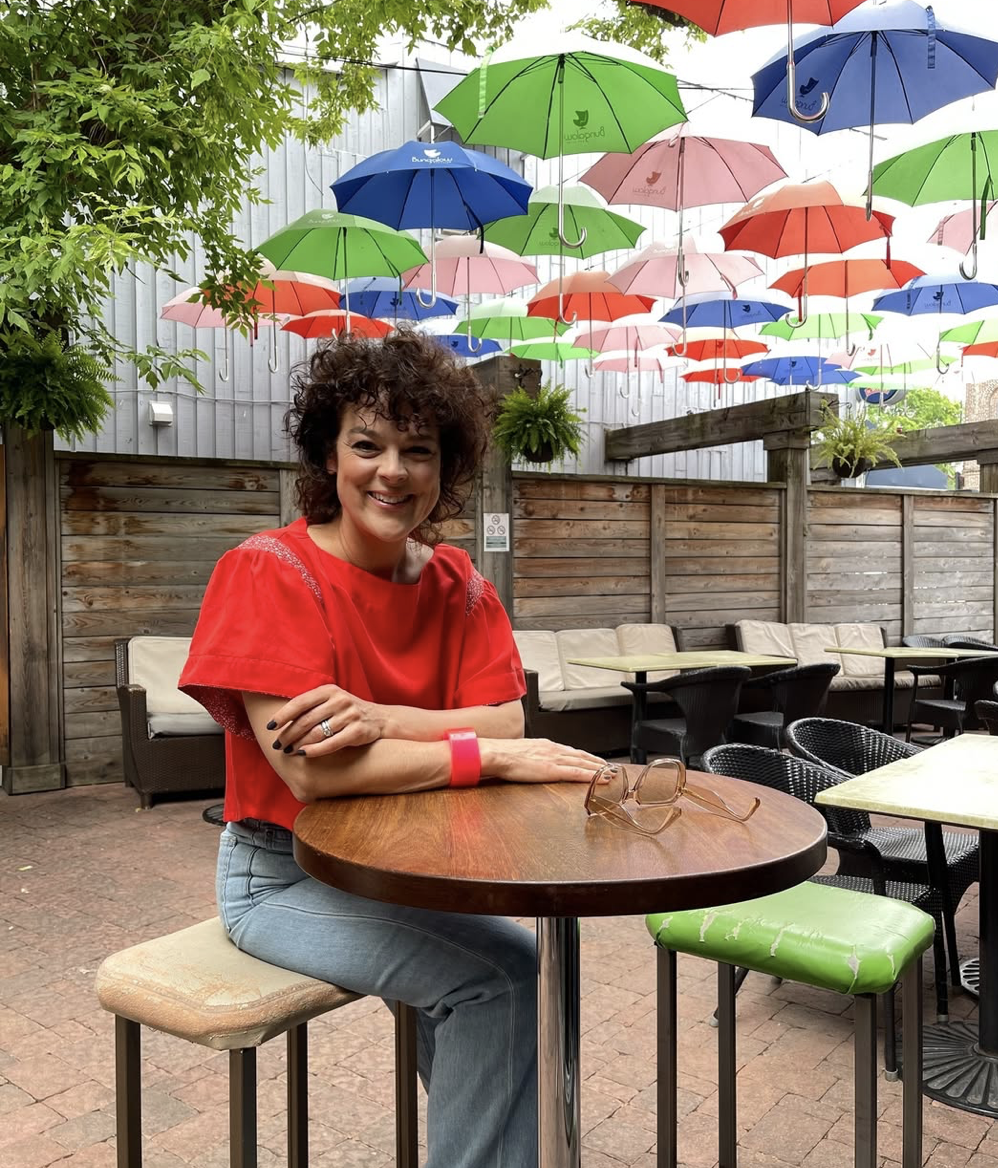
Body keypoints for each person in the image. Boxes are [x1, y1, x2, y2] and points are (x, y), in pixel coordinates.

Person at [178, 328, 605, 1168]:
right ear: (328, 456)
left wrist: (376, 716)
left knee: (537, 972)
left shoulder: (459, 584)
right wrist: (483, 756)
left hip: (421, 867)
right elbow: (311, 774)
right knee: (510, 978)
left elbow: (509, 719)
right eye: (367, 445)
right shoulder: (267, 570)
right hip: (284, 875)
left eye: (419, 450)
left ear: (445, 470)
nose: (393, 472)